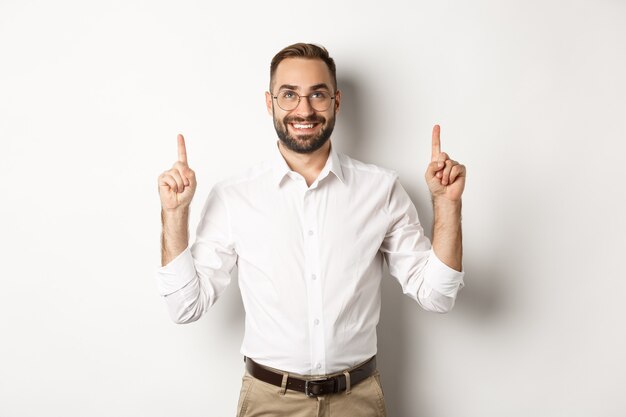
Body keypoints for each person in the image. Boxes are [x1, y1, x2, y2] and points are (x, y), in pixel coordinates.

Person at [156, 43, 466, 417]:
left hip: (359, 401)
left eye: (317, 94)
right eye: (289, 95)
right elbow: (185, 306)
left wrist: (447, 205)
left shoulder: (381, 189)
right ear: (270, 103)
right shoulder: (234, 196)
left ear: (336, 101)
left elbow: (436, 296)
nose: (304, 110)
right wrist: (175, 215)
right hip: (270, 402)